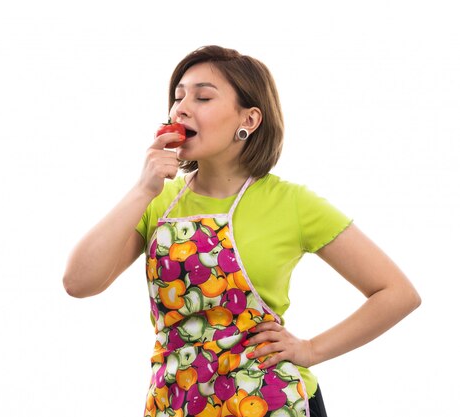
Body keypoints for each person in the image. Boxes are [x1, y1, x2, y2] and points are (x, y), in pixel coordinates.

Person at [62, 45, 421, 417]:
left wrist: (312, 349)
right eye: (178, 96)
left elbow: (397, 293)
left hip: (270, 402)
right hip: (177, 402)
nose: (180, 108)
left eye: (202, 96)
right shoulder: (156, 201)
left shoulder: (292, 203)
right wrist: (142, 189)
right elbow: (79, 282)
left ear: (248, 119)